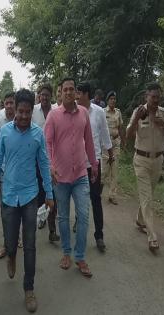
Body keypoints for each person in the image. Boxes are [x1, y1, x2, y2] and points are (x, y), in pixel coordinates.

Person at [0, 88, 54, 313]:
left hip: (30, 196)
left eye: (26, 112)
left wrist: (49, 194)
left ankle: (29, 288)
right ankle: (11, 255)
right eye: (19, 111)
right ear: (14, 110)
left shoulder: (37, 134)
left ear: (32, 111)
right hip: (9, 196)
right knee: (11, 242)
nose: (22, 116)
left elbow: (44, 165)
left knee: (30, 245)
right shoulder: (5, 133)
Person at [44, 77, 98, 277]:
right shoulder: (53, 116)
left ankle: (80, 256)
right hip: (61, 177)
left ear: (76, 93)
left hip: (81, 174)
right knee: (64, 217)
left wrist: (94, 164)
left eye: (71, 89)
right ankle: (66, 252)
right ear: (61, 92)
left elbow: (89, 142)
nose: (68, 92)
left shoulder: (83, 113)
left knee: (83, 216)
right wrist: (50, 167)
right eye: (65, 89)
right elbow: (46, 144)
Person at [126, 82, 164, 252]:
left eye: (158, 97)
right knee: (147, 197)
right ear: (146, 96)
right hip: (141, 159)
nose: (155, 100)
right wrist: (135, 119)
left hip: (158, 160)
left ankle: (140, 220)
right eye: (152, 97)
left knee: (149, 194)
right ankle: (152, 236)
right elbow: (128, 135)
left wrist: (163, 124)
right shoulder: (138, 112)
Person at [76, 82, 113, 252]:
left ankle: (99, 235)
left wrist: (111, 154)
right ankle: (79, 219)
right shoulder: (73, 111)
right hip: (76, 163)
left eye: (79, 93)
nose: (76, 96)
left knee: (95, 199)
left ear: (87, 95)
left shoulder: (98, 113)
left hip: (93, 164)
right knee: (77, 197)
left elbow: (105, 135)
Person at [31, 83, 60, 242]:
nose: (44, 97)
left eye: (47, 94)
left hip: (53, 158)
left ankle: (52, 230)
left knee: (52, 193)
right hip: (36, 159)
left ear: (51, 96)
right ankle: (40, 218)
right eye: (42, 94)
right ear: (39, 96)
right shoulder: (33, 111)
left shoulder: (56, 111)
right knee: (40, 193)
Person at [0, 92, 16, 259]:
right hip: (4, 172)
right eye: (6, 103)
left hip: (20, 174)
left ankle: (17, 237)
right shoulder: (0, 122)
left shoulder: (24, 120)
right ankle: (6, 243)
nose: (9, 106)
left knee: (19, 207)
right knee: (5, 209)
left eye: (11, 103)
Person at [102, 91, 125, 205]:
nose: (113, 101)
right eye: (111, 99)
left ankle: (112, 195)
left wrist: (123, 141)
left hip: (115, 143)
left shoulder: (118, 112)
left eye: (114, 99)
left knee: (114, 171)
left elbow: (120, 127)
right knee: (103, 171)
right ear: (107, 100)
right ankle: (98, 192)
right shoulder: (103, 112)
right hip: (105, 145)